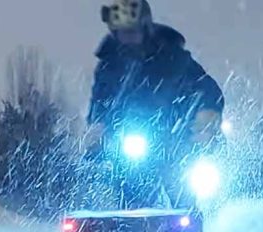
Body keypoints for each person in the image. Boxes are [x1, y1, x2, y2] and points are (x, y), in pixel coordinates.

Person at [85, 0, 225, 154]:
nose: (127, 38)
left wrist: (205, 114)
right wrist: (97, 128)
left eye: (132, 32)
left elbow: (206, 87)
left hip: (176, 139)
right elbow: (100, 101)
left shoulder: (172, 57)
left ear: (145, 30)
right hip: (123, 145)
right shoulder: (109, 65)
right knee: (93, 168)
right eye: (122, 32)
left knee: (208, 162)